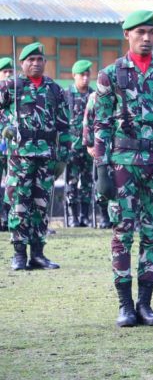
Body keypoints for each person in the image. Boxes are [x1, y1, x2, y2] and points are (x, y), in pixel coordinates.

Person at [94, 10, 153, 327]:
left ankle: (145, 305)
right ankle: (124, 306)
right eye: (140, 32)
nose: (146, 38)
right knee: (123, 233)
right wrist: (101, 170)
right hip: (123, 165)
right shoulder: (110, 75)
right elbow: (101, 125)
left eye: (151, 32)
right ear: (127, 35)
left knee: (152, 234)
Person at [0, 42, 70, 270]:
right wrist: (5, 126)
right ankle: (19, 254)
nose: (36, 63)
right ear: (22, 63)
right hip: (20, 156)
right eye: (31, 60)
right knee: (19, 203)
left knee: (41, 204)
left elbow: (64, 124)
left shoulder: (54, 89)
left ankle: (38, 253)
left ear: (45, 62)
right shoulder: (11, 86)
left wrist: (63, 157)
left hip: (46, 156)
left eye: (40, 59)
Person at [64, 60, 95, 227]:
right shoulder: (66, 95)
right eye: (81, 75)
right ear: (74, 76)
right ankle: (72, 217)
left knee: (88, 181)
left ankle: (85, 216)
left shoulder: (94, 95)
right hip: (72, 146)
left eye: (87, 74)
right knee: (72, 181)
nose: (85, 78)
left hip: (90, 146)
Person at [82, 91, 111, 228]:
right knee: (102, 181)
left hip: (123, 146)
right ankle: (104, 216)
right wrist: (89, 144)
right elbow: (88, 121)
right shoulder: (95, 96)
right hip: (102, 146)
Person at [0, 57, 13, 232]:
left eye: (10, 71)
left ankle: (10, 218)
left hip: (12, 147)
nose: (8, 75)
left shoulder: (17, 95)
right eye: (4, 72)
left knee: (13, 184)